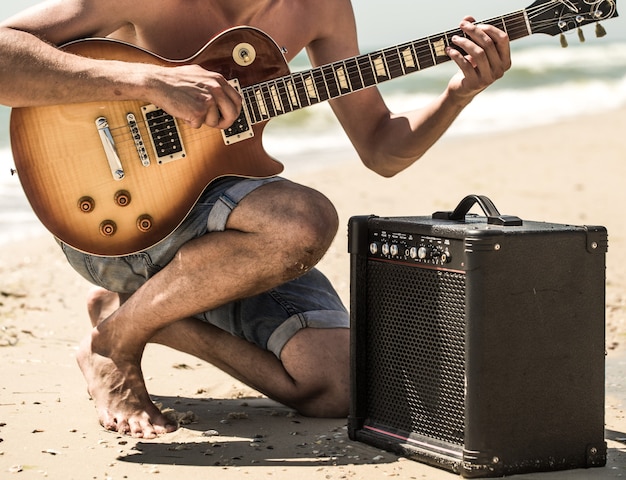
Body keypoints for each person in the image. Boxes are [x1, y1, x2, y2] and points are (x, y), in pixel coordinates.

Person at [0, 0, 511, 438]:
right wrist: (151, 80)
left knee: (336, 385)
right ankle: (119, 343)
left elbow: (381, 148)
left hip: (230, 237)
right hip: (112, 221)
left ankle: (128, 316)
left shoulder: (320, 8)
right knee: (303, 220)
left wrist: (457, 95)